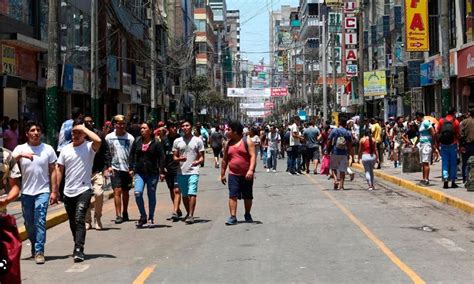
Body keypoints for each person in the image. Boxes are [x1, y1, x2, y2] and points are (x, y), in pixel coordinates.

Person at [56, 119, 101, 262]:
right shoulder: (65, 149)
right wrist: (55, 190)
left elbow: (98, 140)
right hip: (68, 192)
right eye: (73, 132)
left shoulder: (89, 147)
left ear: (84, 134)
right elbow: (59, 170)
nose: (75, 135)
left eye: (78, 133)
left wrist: (84, 129)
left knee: (79, 218)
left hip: (84, 189)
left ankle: (78, 249)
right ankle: (77, 243)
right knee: (72, 222)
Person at [12, 121, 58, 264]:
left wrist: (54, 191)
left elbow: (53, 171)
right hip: (26, 193)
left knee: (40, 221)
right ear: (27, 133)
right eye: (32, 130)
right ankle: (33, 245)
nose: (36, 133)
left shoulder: (48, 149)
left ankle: (39, 250)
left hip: (42, 191)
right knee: (29, 224)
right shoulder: (20, 148)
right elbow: (9, 162)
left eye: (38, 130)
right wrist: (21, 156)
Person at [129, 122, 165, 227]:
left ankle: (151, 218)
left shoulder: (156, 143)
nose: (142, 130)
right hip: (139, 172)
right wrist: (131, 168)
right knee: (137, 193)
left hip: (152, 173)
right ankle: (143, 216)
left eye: (144, 128)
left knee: (151, 194)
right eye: (141, 128)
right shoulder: (137, 141)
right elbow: (132, 155)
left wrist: (162, 172)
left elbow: (161, 158)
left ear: (150, 130)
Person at [220, 121, 256, 225]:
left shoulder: (247, 141)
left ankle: (247, 214)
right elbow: (225, 160)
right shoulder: (228, 143)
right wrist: (222, 174)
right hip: (233, 174)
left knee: (248, 196)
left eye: (229, 129)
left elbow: (253, 156)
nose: (227, 131)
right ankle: (233, 216)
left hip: (246, 175)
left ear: (235, 131)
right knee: (232, 195)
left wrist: (250, 170)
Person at [172, 120, 205, 224]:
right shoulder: (177, 141)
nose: (185, 127)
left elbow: (201, 157)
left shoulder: (198, 140)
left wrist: (197, 162)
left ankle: (191, 215)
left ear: (191, 127)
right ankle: (188, 213)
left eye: (187, 125)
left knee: (192, 192)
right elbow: (174, 156)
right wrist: (178, 159)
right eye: (183, 126)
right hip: (181, 172)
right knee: (185, 195)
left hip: (193, 171)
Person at [105, 115, 135, 224]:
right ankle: (118, 214)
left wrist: (132, 168)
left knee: (125, 192)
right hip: (114, 168)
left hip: (126, 168)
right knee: (117, 191)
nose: (121, 126)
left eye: (123, 124)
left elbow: (132, 154)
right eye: (119, 124)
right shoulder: (108, 137)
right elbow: (107, 153)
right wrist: (108, 166)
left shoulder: (130, 138)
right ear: (114, 125)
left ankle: (125, 212)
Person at [84, 115, 111, 230]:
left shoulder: (99, 135)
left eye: (91, 122)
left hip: (97, 170)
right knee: (84, 198)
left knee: (99, 193)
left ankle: (98, 218)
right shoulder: (80, 136)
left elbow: (106, 151)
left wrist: (107, 167)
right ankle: (87, 221)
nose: (89, 124)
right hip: (84, 172)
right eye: (86, 122)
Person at [162, 120, 183, 221]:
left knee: (177, 190)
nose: (174, 129)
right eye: (172, 127)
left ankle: (174, 211)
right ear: (168, 128)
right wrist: (161, 169)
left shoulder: (181, 139)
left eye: (175, 127)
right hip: (168, 169)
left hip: (179, 168)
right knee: (171, 190)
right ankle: (178, 209)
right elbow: (161, 156)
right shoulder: (164, 139)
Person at [327, 118, 353, 190]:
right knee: (342, 169)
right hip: (344, 152)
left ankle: (335, 180)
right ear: (345, 124)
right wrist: (349, 153)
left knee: (334, 168)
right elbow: (350, 143)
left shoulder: (334, 130)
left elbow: (329, 140)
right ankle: (341, 185)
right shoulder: (347, 132)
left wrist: (327, 149)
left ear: (339, 123)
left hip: (335, 151)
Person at [437, 108, 460, 188]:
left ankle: (445, 180)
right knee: (453, 163)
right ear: (454, 113)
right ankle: (453, 181)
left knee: (445, 162)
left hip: (443, 145)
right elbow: (458, 134)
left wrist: (437, 144)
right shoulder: (456, 122)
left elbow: (438, 132)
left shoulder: (441, 121)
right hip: (453, 144)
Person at [415, 112, 436, 186]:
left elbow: (433, 133)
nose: (416, 119)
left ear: (420, 116)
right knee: (423, 162)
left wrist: (433, 144)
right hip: (422, 144)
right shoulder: (420, 124)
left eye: (417, 117)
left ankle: (426, 179)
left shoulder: (426, 122)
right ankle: (423, 178)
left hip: (427, 144)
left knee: (426, 162)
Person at [460, 108, 474, 183]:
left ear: (469, 113)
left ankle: (465, 179)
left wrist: (461, 145)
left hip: (466, 145)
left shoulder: (464, 122)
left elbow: (461, 135)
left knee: (465, 162)